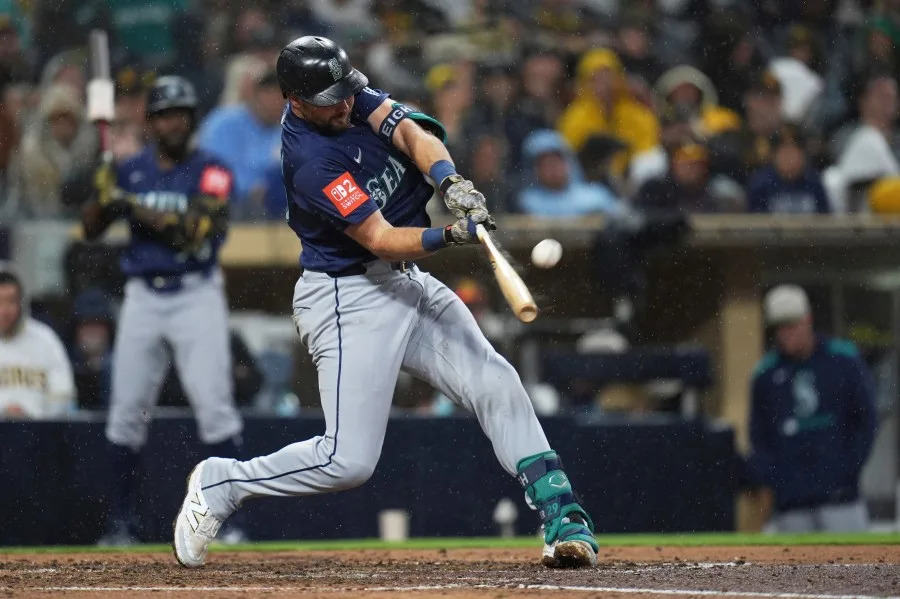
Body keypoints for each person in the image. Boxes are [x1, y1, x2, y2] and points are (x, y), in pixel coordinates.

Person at [173, 35, 599, 570]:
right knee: (346, 461)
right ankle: (223, 482)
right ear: (295, 101)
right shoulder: (310, 160)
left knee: (495, 379)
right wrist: (451, 235)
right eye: (331, 98)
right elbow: (378, 237)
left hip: (404, 280)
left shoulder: (348, 98)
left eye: (346, 91)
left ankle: (562, 514)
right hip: (348, 296)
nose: (346, 103)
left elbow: (414, 135)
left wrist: (451, 180)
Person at [80, 75, 244, 545]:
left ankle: (230, 525)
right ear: (150, 123)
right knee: (126, 412)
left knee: (215, 409)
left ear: (192, 120)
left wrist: (125, 201)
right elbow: (90, 229)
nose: (173, 122)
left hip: (196, 293)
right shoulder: (130, 170)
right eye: (164, 115)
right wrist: (101, 192)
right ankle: (121, 523)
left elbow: (192, 231)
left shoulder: (213, 169)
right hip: (143, 297)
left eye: (181, 114)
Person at [746, 285, 878, 532]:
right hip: (790, 501)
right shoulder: (766, 374)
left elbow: (866, 420)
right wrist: (774, 478)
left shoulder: (843, 360)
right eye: (780, 328)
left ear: (808, 320)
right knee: (792, 569)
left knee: (853, 567)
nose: (786, 334)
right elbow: (759, 436)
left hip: (841, 497)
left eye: (792, 325)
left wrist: (848, 467)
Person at [0, 267, 75, 419]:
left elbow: (64, 395)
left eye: (11, 301)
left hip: (38, 435)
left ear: (22, 302)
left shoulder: (46, 340)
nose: (4, 311)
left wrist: (31, 417)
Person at [518, 129, 626, 217]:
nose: (553, 169)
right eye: (546, 164)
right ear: (535, 170)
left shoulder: (596, 196)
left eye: (557, 161)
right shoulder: (528, 203)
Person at [747, 126, 830, 214]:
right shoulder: (761, 183)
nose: (789, 160)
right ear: (774, 156)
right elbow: (754, 221)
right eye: (785, 154)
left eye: (793, 153)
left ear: (803, 155)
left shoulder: (813, 182)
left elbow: (824, 218)